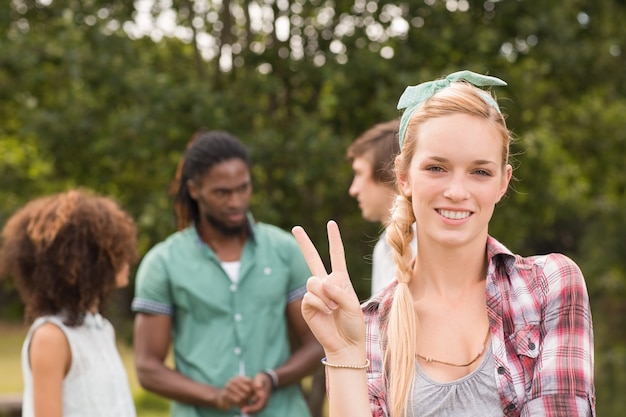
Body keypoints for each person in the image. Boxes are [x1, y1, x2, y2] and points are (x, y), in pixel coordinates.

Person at [292, 70, 596, 417]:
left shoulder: (549, 285)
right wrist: (345, 355)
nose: (456, 191)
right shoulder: (369, 327)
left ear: (502, 182)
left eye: (480, 171)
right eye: (437, 168)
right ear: (404, 177)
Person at [131, 130, 323, 417]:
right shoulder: (163, 263)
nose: (236, 202)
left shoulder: (285, 251)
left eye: (243, 188)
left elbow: (318, 342)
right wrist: (216, 396)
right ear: (195, 190)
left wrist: (272, 378)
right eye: (222, 192)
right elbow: (147, 367)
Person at [0, 189, 138, 417]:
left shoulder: (101, 328)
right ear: (85, 262)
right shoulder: (52, 336)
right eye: (114, 250)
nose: (128, 257)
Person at [347, 120, 416, 296]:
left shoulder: (430, 243)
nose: (353, 190)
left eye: (359, 173)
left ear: (390, 172)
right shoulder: (382, 247)